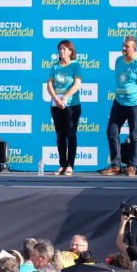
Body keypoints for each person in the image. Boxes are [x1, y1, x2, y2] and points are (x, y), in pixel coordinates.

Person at [100, 35, 137, 176]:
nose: (123, 48)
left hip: (135, 104)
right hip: (119, 102)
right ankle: (116, 165)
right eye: (123, 45)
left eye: (127, 46)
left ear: (134, 48)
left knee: (134, 135)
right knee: (112, 132)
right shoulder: (118, 61)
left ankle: (132, 166)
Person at [47, 40, 82, 175]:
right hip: (56, 105)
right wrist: (56, 99)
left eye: (65, 49)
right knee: (60, 136)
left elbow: (77, 84)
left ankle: (70, 165)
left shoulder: (76, 66)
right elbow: (49, 85)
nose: (62, 51)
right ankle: (62, 164)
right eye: (60, 49)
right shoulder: (55, 66)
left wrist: (65, 97)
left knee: (71, 134)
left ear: (71, 51)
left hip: (71, 105)